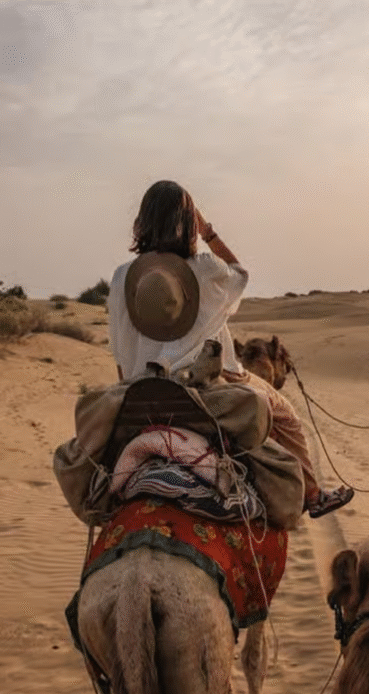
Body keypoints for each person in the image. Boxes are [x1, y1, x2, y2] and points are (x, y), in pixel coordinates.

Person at [108, 179, 353, 518]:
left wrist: (130, 390)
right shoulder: (205, 269)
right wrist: (208, 232)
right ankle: (313, 495)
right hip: (214, 385)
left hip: (143, 388)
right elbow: (241, 272)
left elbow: (120, 354)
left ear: (142, 222)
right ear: (188, 222)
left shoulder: (123, 277)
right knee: (288, 420)